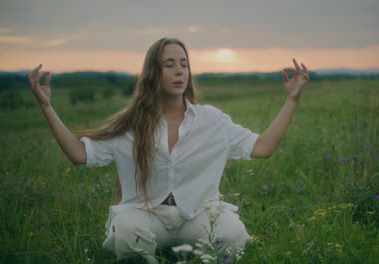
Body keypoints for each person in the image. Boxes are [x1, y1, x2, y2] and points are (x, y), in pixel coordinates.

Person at [28, 37, 310, 263]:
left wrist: (291, 101)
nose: (179, 71)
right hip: (147, 216)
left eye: (184, 64)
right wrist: (46, 107)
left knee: (233, 235)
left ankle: (189, 252)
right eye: (170, 64)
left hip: (198, 216)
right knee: (125, 232)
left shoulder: (211, 120)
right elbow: (79, 155)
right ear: (153, 72)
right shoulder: (130, 122)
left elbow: (262, 148)